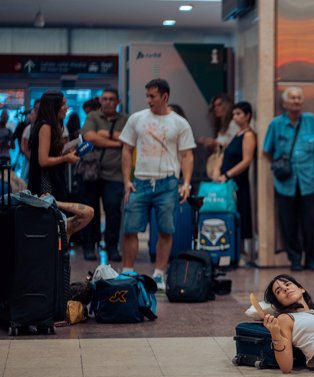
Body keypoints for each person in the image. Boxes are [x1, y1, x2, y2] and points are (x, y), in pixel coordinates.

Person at [119, 79, 196, 289]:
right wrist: (127, 180)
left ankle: (159, 275)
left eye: (152, 96)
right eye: (147, 96)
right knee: (130, 228)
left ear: (165, 97)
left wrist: (186, 183)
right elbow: (126, 149)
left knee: (165, 230)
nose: (148, 100)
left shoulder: (179, 123)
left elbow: (187, 155)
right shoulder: (137, 118)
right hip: (140, 182)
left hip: (168, 183)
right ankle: (127, 272)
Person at [263, 87, 314, 272]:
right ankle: (294, 259)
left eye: (299, 98)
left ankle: (311, 259)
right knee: (288, 224)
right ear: (284, 103)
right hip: (285, 183)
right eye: (292, 98)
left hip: (308, 181)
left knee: (309, 223)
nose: (296, 101)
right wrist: (278, 166)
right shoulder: (276, 124)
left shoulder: (310, 121)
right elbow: (266, 150)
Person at [81, 88, 129, 262]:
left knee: (113, 211)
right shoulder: (93, 117)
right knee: (89, 211)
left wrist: (105, 134)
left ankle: (112, 247)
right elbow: (90, 137)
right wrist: (116, 143)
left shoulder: (125, 120)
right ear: (100, 101)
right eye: (105, 99)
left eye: (112, 99)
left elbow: (129, 139)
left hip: (115, 174)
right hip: (91, 173)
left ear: (117, 102)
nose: (108, 102)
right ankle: (89, 246)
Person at [212, 101, 256, 259]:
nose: (235, 117)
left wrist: (228, 175)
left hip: (238, 182)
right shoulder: (236, 134)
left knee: (241, 215)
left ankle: (242, 252)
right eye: (234, 114)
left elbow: (246, 160)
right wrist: (217, 170)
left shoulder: (249, 135)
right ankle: (232, 249)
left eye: (238, 114)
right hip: (226, 183)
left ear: (247, 116)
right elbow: (224, 154)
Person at [27, 92, 79, 202]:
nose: (66, 107)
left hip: (53, 180)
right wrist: (65, 158)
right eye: (63, 104)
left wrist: (64, 153)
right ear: (53, 106)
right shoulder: (45, 126)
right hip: (45, 184)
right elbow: (43, 161)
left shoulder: (54, 125)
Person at [199, 94, 236, 178]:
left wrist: (215, 143)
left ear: (227, 106)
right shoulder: (222, 126)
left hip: (230, 166)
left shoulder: (233, 124)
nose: (216, 108)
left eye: (219, 105)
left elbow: (233, 145)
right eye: (215, 106)